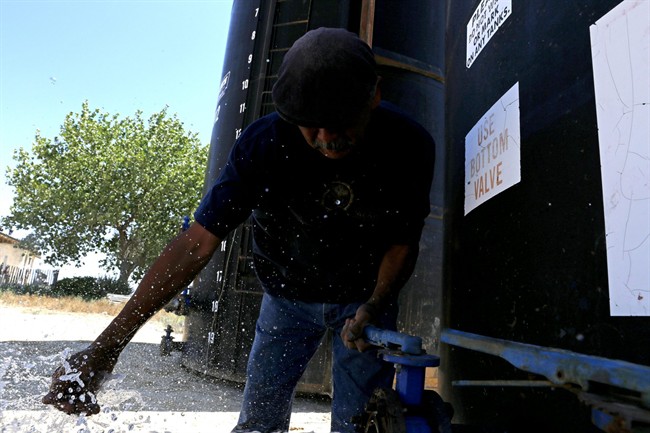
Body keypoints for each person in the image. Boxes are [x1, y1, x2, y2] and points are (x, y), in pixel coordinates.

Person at [42, 27, 435, 433]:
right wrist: (108, 347)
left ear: (374, 95)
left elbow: (402, 243)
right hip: (285, 296)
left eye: (338, 122)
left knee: (361, 425)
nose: (326, 139)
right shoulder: (263, 145)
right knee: (257, 425)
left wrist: (373, 304)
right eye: (310, 126)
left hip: (364, 298)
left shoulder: (408, 146)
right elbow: (196, 244)